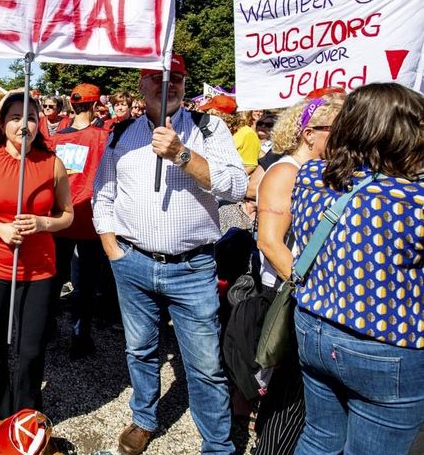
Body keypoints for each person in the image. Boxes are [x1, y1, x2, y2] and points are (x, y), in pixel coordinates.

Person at [92, 53, 247, 455]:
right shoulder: (122, 133)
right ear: (142, 86)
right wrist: (114, 251)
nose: (168, 84)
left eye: (176, 77)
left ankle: (217, 444)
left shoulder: (208, 128)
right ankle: (144, 418)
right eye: (157, 77)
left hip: (192, 268)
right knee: (140, 348)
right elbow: (103, 196)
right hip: (133, 262)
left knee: (205, 364)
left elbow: (234, 186)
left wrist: (181, 154)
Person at [289, 83, 424, 454]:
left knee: (318, 439)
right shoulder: (412, 201)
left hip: (315, 327)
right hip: (384, 345)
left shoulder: (311, 177)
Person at [0, 92, 74, 448]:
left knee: (31, 347)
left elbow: (66, 215)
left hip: (38, 269)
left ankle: (26, 413)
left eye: (31, 117)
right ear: (1, 121)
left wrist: (42, 223)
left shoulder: (52, 164)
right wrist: (0, 229)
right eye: (15, 116)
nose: (24, 124)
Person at [248, 93, 342, 455]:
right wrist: (316, 293)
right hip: (290, 295)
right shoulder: (288, 171)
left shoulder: (322, 171)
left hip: (307, 296)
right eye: (339, 129)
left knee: (301, 398)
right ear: (309, 133)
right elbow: (270, 244)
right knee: (288, 396)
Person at [47, 83, 109, 359]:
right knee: (85, 284)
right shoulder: (103, 136)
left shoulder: (55, 139)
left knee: (52, 278)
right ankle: (80, 337)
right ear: (96, 106)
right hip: (89, 217)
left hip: (58, 216)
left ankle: (46, 329)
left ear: (71, 106)